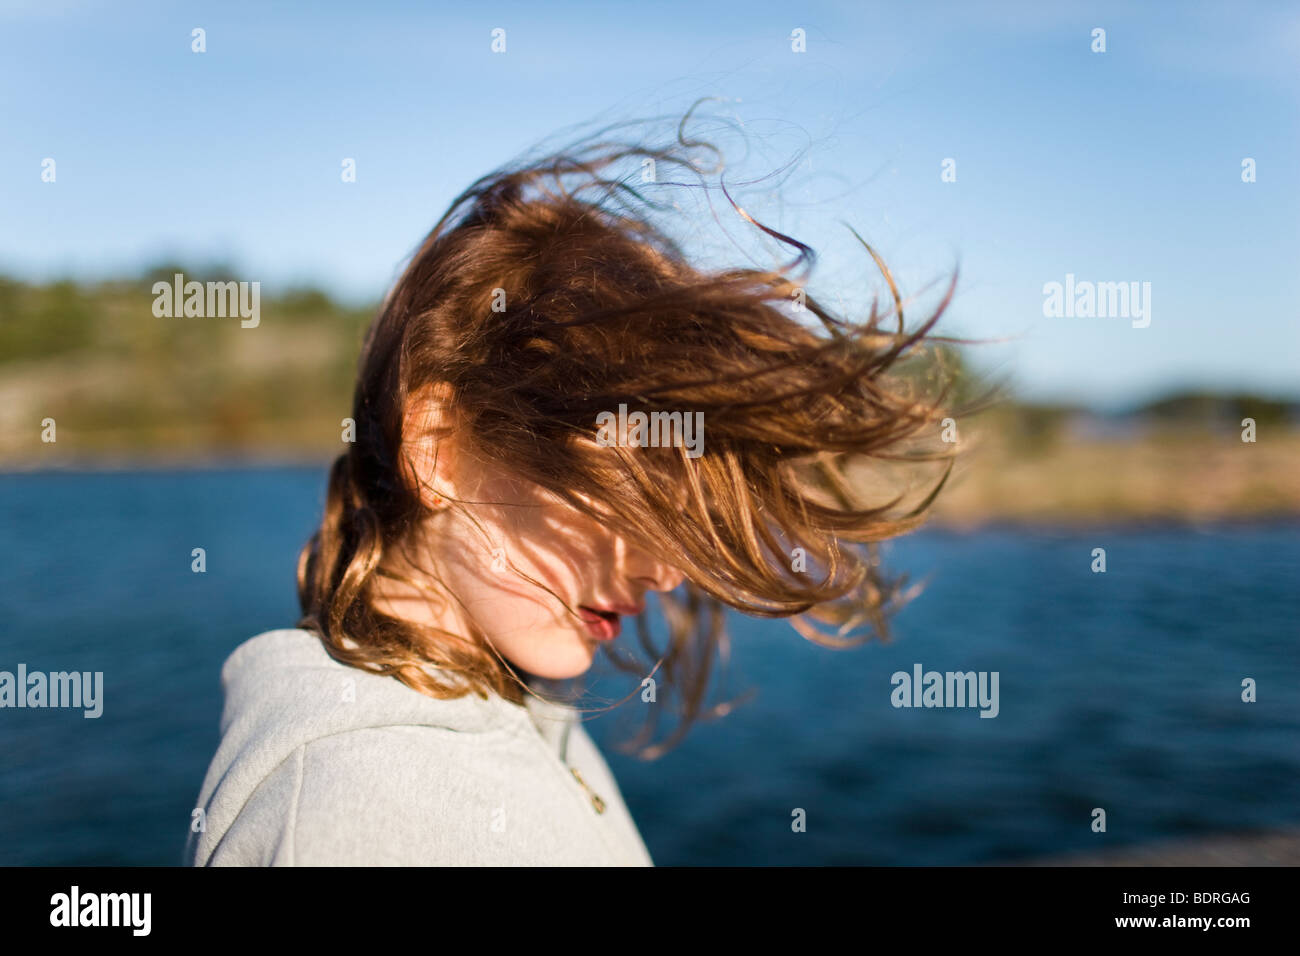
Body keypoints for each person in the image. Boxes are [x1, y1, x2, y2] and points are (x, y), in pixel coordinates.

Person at [185, 110, 959, 866]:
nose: (668, 568)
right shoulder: (369, 809)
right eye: (630, 491)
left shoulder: (501, 698)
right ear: (439, 449)